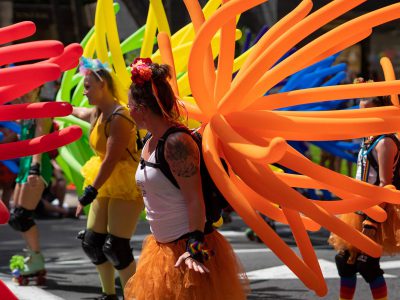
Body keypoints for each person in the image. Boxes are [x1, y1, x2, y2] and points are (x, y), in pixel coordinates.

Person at [124, 58, 248, 299]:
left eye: (129, 105)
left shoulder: (177, 143)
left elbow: (194, 199)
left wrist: (195, 245)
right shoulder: (150, 141)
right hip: (161, 249)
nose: (127, 110)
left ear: (141, 108)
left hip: (188, 247)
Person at [72, 58, 143, 300]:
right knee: (92, 243)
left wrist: (90, 191)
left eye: (88, 86)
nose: (84, 91)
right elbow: (77, 111)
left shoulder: (120, 116)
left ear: (103, 85)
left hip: (124, 180)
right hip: (105, 179)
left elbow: (111, 159)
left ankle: (135, 296)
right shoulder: (97, 113)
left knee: (117, 248)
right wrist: (55, 108)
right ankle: (108, 295)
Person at [329, 90, 400, 300]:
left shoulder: (385, 142)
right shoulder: (370, 137)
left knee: (368, 266)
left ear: (377, 106)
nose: (360, 103)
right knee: (345, 261)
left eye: (364, 99)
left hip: (375, 211)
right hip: (358, 207)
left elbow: (385, 186)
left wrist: (372, 221)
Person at [8, 87, 52, 280]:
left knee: (23, 216)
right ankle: (33, 256)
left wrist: (35, 168)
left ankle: (36, 258)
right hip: (25, 166)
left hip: (37, 164)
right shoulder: (26, 109)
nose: (24, 91)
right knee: (15, 217)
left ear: (39, 87)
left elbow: (41, 141)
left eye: (30, 87)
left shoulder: (42, 109)